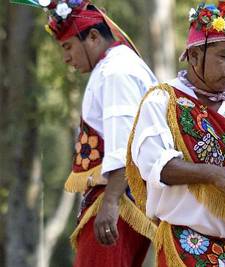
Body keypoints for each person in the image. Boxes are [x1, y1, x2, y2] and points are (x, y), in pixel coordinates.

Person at [126, 1, 225, 266]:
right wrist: (212, 174)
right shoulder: (163, 100)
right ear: (194, 56)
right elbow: (156, 167)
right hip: (186, 247)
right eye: (224, 55)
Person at [35, 0, 158, 266]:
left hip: (119, 198)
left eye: (68, 46)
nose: (66, 58)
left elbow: (124, 143)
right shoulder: (119, 64)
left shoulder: (116, 72)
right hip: (125, 196)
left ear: (92, 36)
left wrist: (111, 203)